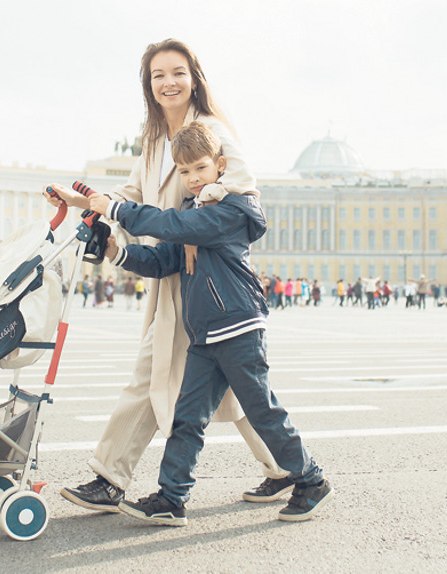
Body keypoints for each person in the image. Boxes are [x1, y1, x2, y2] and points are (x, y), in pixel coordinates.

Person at [46, 39, 288, 514]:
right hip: (173, 266)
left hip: (205, 271)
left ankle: (110, 476)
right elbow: (133, 191)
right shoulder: (155, 139)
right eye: (158, 75)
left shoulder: (211, 129)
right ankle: (283, 468)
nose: (168, 82)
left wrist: (198, 219)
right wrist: (81, 200)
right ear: (148, 85)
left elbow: (241, 184)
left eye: (177, 72)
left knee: (153, 370)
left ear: (194, 77)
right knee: (232, 378)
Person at [86, 120, 333, 525]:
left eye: (200, 168)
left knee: (262, 411)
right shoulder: (192, 211)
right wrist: (117, 252)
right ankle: (171, 498)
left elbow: (177, 227)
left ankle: (311, 480)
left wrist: (116, 209)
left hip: (238, 328)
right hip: (203, 334)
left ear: (221, 165)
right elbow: (164, 259)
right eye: (184, 172)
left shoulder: (231, 210)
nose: (193, 179)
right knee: (187, 417)